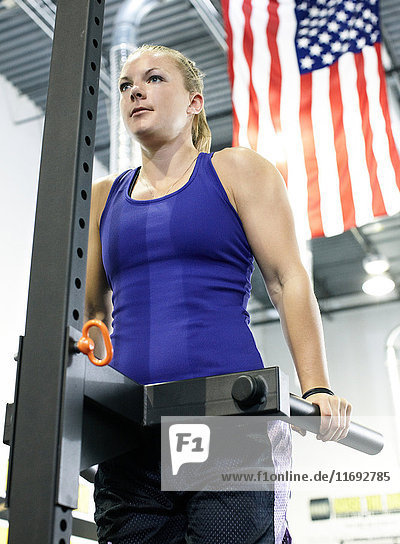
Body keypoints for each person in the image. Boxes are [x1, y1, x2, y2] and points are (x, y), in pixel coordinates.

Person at [84, 44, 352, 544]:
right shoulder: (102, 197)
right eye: (125, 85)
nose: (135, 91)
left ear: (194, 102)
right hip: (129, 432)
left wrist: (316, 387)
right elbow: (93, 313)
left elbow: (286, 279)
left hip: (229, 423)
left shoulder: (237, 171)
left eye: (155, 79)